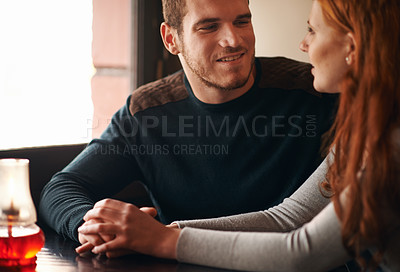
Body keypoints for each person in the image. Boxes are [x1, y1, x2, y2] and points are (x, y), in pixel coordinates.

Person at [76, 0, 400, 271]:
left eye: (313, 31)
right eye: (208, 26)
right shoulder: (367, 128)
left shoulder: (380, 133)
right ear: (170, 39)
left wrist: (161, 239)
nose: (303, 44)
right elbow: (286, 219)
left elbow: (303, 249)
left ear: (352, 48)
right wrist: (133, 232)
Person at [40, 0, 336, 257]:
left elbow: (293, 224)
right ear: (171, 39)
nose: (233, 39)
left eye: (242, 21)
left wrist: (156, 235)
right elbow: (61, 189)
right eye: (209, 27)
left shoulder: (315, 91)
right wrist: (92, 226)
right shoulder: (146, 112)